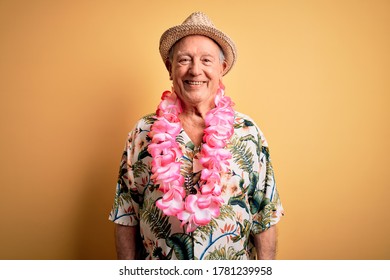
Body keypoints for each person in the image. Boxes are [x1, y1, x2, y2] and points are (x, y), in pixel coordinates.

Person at [109, 11, 284, 260]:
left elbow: (265, 216)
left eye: (206, 60)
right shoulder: (143, 133)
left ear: (222, 69)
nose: (195, 70)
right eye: (184, 60)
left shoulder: (249, 133)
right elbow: (126, 214)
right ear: (170, 68)